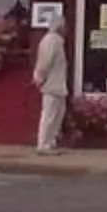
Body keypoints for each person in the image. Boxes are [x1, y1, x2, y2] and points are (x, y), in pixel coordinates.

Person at [31, 15, 70, 154]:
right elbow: (44, 62)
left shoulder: (57, 41)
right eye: (64, 25)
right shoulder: (51, 41)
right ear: (58, 27)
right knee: (49, 115)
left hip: (58, 85)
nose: (66, 28)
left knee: (58, 114)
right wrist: (39, 78)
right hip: (51, 85)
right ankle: (43, 144)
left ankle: (51, 141)